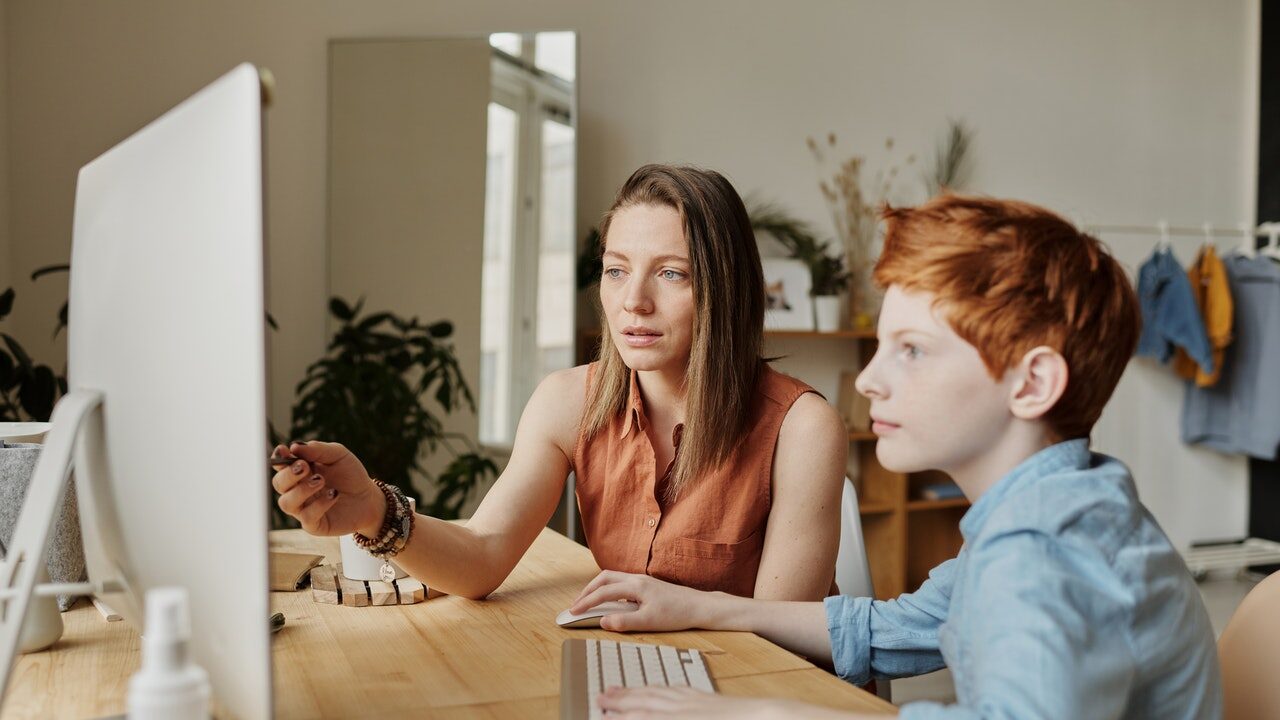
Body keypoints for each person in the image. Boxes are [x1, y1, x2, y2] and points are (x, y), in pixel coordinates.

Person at [571, 195, 1222, 719]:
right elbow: (897, 628)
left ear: (1032, 385)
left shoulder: (1044, 556)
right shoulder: (1061, 507)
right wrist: (703, 608)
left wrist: (757, 712)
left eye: (911, 350)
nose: (867, 380)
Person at [270, 163, 848, 602]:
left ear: (727, 289)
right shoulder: (568, 401)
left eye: (671, 274)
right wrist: (374, 510)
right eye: (616, 270)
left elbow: (780, 640)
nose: (633, 302)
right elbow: (482, 556)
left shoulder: (802, 428)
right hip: (643, 680)